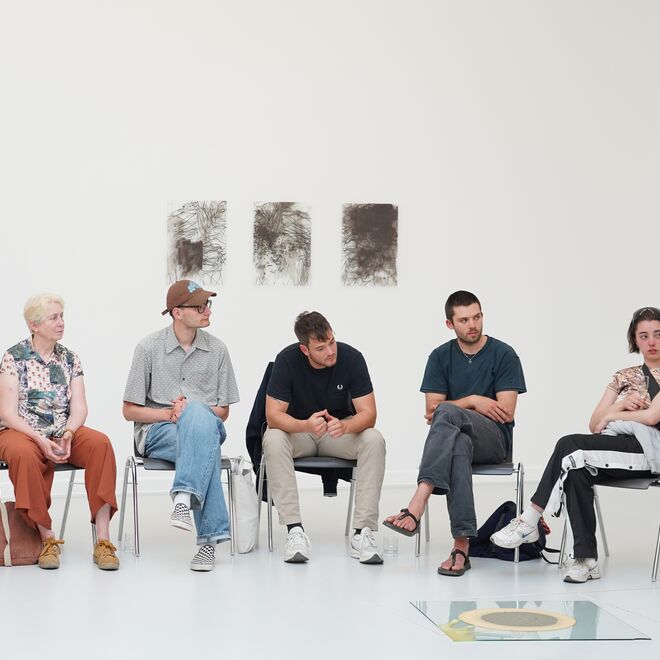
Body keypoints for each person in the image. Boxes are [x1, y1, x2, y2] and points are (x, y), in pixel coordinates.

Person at [492, 306, 660, 583]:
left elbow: (653, 417)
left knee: (569, 444)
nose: (651, 342)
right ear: (635, 339)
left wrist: (614, 414)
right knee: (576, 471)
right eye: (644, 336)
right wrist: (619, 406)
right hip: (612, 448)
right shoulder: (623, 376)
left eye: (657, 334)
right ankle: (585, 559)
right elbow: (594, 424)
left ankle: (530, 519)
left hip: (648, 450)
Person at [383, 290, 526, 576]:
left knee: (448, 411)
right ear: (450, 324)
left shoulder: (504, 354)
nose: (472, 324)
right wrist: (474, 400)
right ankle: (461, 547)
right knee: (458, 444)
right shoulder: (440, 357)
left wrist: (455, 407)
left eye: (477, 317)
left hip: (494, 442)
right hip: (457, 442)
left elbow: (506, 412)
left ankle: (418, 500)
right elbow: (431, 412)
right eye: (464, 320)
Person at [122, 280, 239, 571]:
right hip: (159, 431)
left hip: (205, 426)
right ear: (177, 312)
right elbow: (129, 411)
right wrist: (170, 415)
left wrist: (190, 412)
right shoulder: (148, 348)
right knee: (206, 446)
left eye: (208, 304)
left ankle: (184, 498)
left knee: (198, 415)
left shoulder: (218, 350)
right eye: (199, 307)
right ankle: (208, 544)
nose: (207, 311)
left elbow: (223, 411)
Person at [0, 293, 119, 570]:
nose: (61, 322)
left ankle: (103, 541)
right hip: (21, 432)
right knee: (24, 454)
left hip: (61, 430)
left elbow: (79, 407)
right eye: (53, 317)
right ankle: (47, 539)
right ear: (34, 324)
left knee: (100, 444)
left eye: (62, 316)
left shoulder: (70, 358)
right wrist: (40, 440)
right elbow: (6, 413)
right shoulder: (13, 357)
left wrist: (69, 433)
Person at [263, 311, 386, 564]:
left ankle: (362, 532)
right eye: (321, 348)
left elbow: (369, 414)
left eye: (332, 342)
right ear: (304, 350)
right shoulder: (286, 360)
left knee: (374, 439)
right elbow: (273, 416)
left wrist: (346, 425)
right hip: (300, 433)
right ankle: (294, 530)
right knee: (273, 439)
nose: (330, 351)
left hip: (337, 434)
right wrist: (304, 425)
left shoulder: (352, 358)